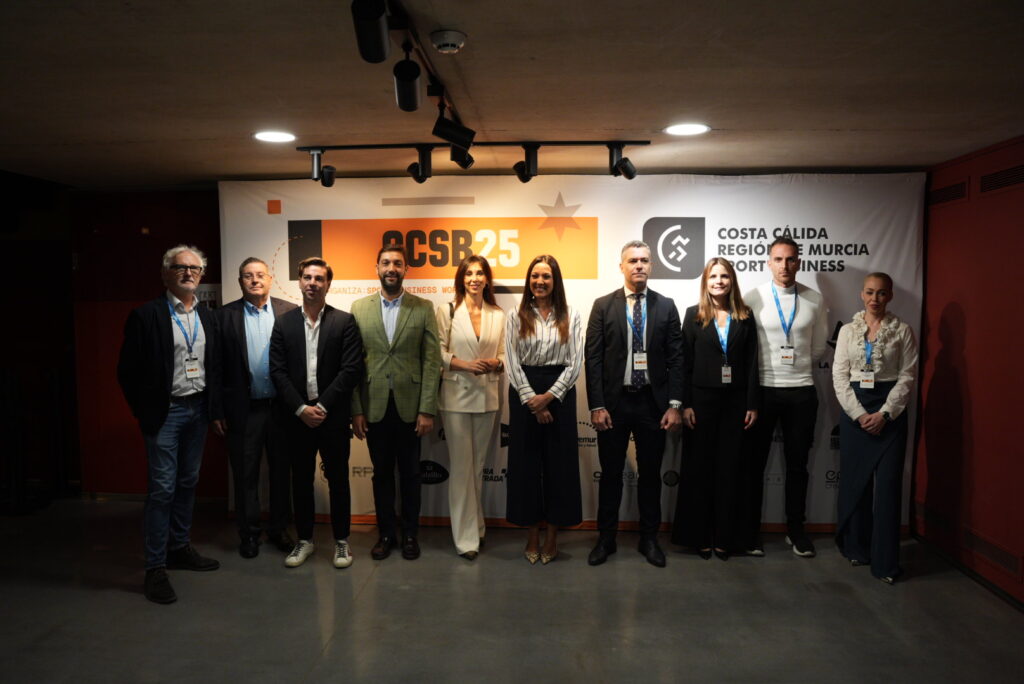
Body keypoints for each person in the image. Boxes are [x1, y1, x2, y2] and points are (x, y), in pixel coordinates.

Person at [117, 244, 223, 604]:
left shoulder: (208, 317)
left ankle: (179, 548)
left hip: (197, 410)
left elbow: (214, 367)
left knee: (188, 482)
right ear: (165, 274)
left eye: (194, 268)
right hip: (166, 413)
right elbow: (127, 371)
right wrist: (144, 410)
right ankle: (155, 567)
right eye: (180, 267)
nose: (188, 273)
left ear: (201, 275)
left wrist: (213, 409)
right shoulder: (146, 315)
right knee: (162, 489)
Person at [585, 240, 683, 568]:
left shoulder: (666, 306)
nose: (639, 265)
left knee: (651, 475)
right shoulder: (603, 306)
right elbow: (593, 359)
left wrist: (674, 404)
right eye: (632, 261)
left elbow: (676, 358)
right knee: (611, 474)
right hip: (613, 405)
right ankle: (606, 539)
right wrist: (597, 405)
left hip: (653, 405)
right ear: (622, 266)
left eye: (644, 260)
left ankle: (649, 539)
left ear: (651, 266)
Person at [269, 257, 363, 569]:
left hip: (331, 417)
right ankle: (305, 540)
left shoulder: (344, 321)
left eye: (319, 278)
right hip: (297, 419)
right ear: (299, 282)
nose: (313, 283)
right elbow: (277, 371)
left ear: (328, 284)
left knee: (338, 481)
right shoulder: (283, 323)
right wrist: (300, 408)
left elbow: (351, 369)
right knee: (301, 481)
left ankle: (342, 541)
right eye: (307, 277)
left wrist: (321, 407)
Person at [351, 245, 441, 561]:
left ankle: (410, 534)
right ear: (377, 267)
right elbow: (353, 364)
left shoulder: (423, 307)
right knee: (382, 475)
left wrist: (427, 408)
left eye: (398, 263)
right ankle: (386, 534)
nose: (392, 268)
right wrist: (356, 409)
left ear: (406, 270)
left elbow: (432, 361)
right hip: (374, 406)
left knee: (411, 475)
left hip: (411, 407)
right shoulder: (359, 308)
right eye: (386, 263)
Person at [743, 237, 829, 557]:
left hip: (802, 391)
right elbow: (746, 345)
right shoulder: (753, 297)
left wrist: (795, 365)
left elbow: (817, 347)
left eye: (791, 259)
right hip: (763, 391)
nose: (784, 266)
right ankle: (750, 532)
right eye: (778, 259)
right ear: (768, 262)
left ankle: (796, 530)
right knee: (754, 465)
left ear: (799, 262)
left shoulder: (814, 299)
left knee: (797, 466)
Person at [832, 272, 918, 584]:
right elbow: (839, 377)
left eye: (881, 293)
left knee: (888, 487)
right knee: (856, 483)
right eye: (869, 292)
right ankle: (857, 548)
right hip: (855, 410)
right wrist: (858, 414)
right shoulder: (847, 331)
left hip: (890, 413)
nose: (875, 299)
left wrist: (885, 413)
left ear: (890, 296)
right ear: (861, 294)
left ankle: (885, 563)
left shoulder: (903, 331)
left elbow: (907, 377)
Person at [672, 258, 759, 560]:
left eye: (724, 276)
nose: (718, 281)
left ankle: (725, 537)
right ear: (705, 282)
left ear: (732, 281)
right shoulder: (692, 315)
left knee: (730, 471)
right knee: (699, 471)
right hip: (700, 404)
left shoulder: (745, 316)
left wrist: (752, 403)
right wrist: (685, 404)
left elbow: (752, 362)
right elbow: (683, 363)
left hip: (736, 404)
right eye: (713, 276)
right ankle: (698, 536)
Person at [505, 255, 584, 564]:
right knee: (525, 466)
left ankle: (552, 535)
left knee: (559, 467)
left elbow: (575, 362)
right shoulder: (515, 315)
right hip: (524, 390)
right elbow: (511, 360)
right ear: (529, 280)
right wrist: (532, 400)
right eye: (535, 276)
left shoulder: (571, 315)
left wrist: (548, 397)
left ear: (555, 281)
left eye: (546, 277)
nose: (540, 281)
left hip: (559, 393)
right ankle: (532, 535)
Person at [216, 257, 297, 559]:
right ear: (240, 281)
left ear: (270, 278)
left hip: (281, 409)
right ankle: (249, 534)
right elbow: (215, 367)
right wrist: (216, 410)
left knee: (281, 473)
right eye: (247, 276)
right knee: (245, 475)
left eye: (260, 274)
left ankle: (278, 529)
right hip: (243, 410)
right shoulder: (224, 316)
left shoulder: (290, 312)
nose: (254, 280)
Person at [436, 256, 506, 561]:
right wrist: (463, 364)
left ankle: (476, 526)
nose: (474, 278)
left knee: (476, 468)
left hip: (487, 397)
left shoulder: (497, 314)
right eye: (469, 273)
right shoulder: (448, 310)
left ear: (487, 279)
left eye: (479, 273)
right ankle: (465, 539)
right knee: (463, 469)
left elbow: (504, 353)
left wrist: (496, 363)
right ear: (461, 279)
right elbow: (436, 351)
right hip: (456, 398)